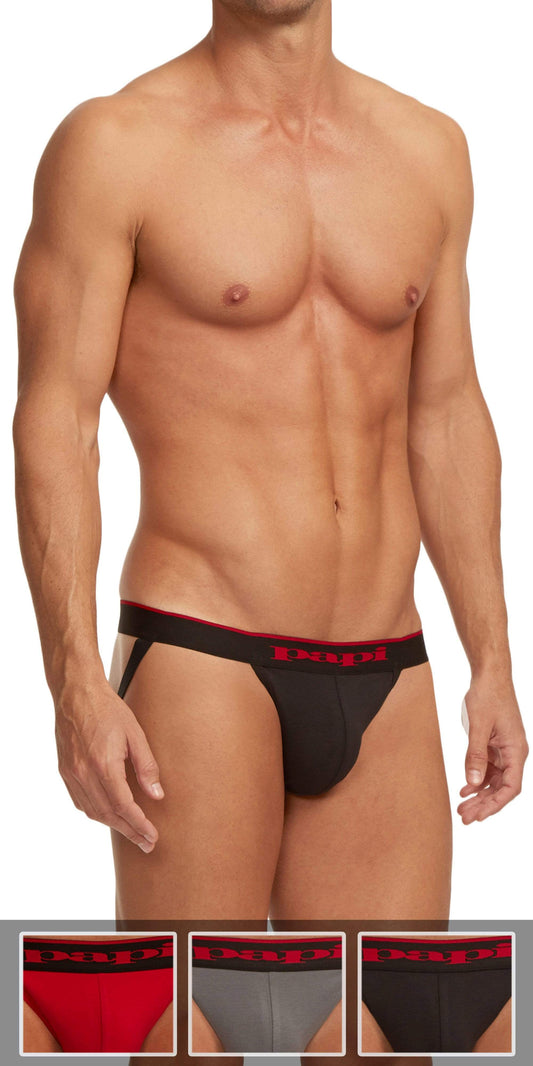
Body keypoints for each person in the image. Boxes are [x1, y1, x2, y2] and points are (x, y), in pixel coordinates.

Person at [13, 0, 527, 1061]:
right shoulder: (116, 145)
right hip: (205, 651)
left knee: (381, 1040)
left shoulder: (427, 148)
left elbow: (444, 411)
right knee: (189, 1035)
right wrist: (74, 679)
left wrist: (491, 658)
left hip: (386, 663)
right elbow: (56, 419)